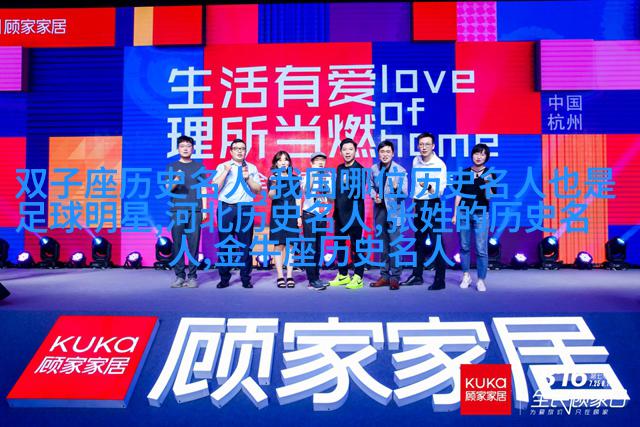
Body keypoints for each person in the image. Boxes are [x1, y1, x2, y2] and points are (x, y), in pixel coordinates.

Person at [400, 132, 448, 290]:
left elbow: (439, 191)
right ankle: (417, 275)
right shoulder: (416, 160)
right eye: (421, 144)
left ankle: (440, 279)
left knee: (436, 242)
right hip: (419, 205)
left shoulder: (439, 164)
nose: (424, 147)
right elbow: (415, 184)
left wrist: (427, 185)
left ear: (433, 146)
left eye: (427, 144)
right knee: (419, 242)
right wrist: (415, 201)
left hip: (433, 205)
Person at [212, 138, 262, 289]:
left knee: (246, 245)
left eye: (242, 148)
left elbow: (257, 190)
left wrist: (248, 178)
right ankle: (224, 278)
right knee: (225, 244)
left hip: (245, 209)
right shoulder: (223, 166)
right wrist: (226, 171)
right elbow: (214, 188)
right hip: (226, 209)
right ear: (231, 151)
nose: (240, 151)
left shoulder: (251, 168)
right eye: (237, 148)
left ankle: (246, 279)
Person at [452, 143, 495, 292]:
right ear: (472, 155)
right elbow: (458, 195)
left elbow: (489, 197)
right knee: (464, 246)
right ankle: (466, 275)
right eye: (477, 153)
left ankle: (481, 279)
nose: (479, 157)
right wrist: (455, 214)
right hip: (463, 213)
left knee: (481, 248)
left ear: (486, 157)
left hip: (481, 214)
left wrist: (487, 183)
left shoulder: (490, 174)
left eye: (483, 154)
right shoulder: (464, 173)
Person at [167, 135, 207, 288]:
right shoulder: (172, 166)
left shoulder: (198, 167)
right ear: (178, 149)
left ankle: (192, 276)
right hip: (177, 210)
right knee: (177, 244)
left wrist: (204, 210)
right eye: (182, 146)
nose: (185, 148)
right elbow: (168, 189)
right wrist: (176, 179)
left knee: (193, 245)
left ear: (193, 149)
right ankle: (179, 276)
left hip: (195, 210)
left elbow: (203, 189)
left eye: (188, 146)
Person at [369, 140, 408, 291]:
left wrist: (397, 187)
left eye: (387, 152)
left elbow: (405, 193)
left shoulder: (400, 170)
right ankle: (384, 276)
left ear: (392, 154)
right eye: (382, 152)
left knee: (395, 245)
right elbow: (371, 187)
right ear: (378, 154)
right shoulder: (374, 169)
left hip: (395, 211)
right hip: (380, 211)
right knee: (383, 245)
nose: (385, 155)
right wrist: (374, 196)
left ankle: (395, 277)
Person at [328, 138, 366, 290]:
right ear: (340, 152)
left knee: (357, 246)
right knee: (340, 245)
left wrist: (346, 182)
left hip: (354, 214)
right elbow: (337, 193)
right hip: (339, 214)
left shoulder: (360, 169)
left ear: (355, 151)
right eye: (344, 149)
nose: (348, 152)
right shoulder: (339, 168)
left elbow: (357, 192)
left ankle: (358, 276)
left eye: (350, 149)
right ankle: (343, 275)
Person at [268, 151, 302, 288]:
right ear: (276, 163)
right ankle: (280, 276)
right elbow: (271, 196)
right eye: (280, 160)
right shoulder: (273, 178)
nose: (283, 162)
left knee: (291, 246)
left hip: (292, 215)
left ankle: (289, 275)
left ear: (289, 162)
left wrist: (299, 216)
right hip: (278, 215)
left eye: (286, 159)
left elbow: (298, 198)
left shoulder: (294, 178)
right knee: (278, 245)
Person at [300, 152, 332, 291]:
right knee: (310, 248)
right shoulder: (307, 176)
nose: (320, 162)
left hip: (322, 215)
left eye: (322, 160)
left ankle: (317, 277)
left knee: (319, 248)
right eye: (317, 160)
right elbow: (307, 191)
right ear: (311, 163)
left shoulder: (328, 176)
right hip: (310, 215)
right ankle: (311, 280)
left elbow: (331, 199)